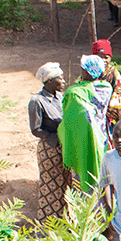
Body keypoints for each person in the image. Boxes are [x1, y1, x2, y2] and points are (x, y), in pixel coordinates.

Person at [60, 55, 114, 193]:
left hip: (82, 144)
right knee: (101, 177)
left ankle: (85, 211)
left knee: (83, 175)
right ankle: (103, 210)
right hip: (102, 141)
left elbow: (69, 121)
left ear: (86, 72)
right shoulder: (107, 88)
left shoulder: (74, 93)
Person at [29, 62, 69, 222]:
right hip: (50, 149)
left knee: (64, 184)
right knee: (50, 187)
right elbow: (35, 129)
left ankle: (64, 220)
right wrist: (54, 138)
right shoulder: (37, 101)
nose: (64, 82)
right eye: (61, 78)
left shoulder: (60, 97)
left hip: (64, 148)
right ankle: (47, 224)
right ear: (50, 81)